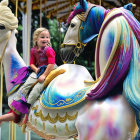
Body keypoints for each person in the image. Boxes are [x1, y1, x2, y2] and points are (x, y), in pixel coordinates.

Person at [0, 27, 56, 124]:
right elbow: (32, 64)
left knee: (36, 89)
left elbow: (51, 64)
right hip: (38, 71)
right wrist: (36, 70)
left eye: (47, 37)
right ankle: (17, 107)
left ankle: (28, 110)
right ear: (36, 39)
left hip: (49, 70)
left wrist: (44, 75)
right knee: (25, 86)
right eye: (42, 37)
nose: (45, 39)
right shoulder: (33, 50)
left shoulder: (49, 50)